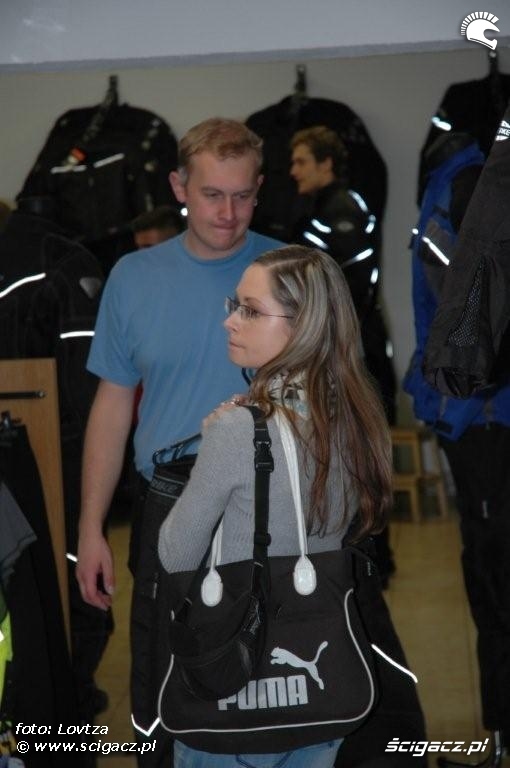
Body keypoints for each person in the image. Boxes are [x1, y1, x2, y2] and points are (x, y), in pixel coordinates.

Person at [76, 117, 283, 764]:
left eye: (243, 195)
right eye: (212, 194)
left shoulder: (291, 271)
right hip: (167, 501)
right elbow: (111, 409)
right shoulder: (133, 278)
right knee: (163, 680)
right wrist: (90, 530)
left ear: (259, 189)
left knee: (272, 676)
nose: (228, 213)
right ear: (178, 186)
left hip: (269, 499)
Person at [158, 245, 393, 768]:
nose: (229, 321)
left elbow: (175, 552)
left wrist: (214, 443)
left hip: (235, 687)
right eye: (235, 305)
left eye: (250, 310)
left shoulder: (238, 430)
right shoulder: (352, 417)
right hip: (321, 687)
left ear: (302, 326)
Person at [290, 125, 397, 587]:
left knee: (358, 459)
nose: (293, 171)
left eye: (301, 161)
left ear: (326, 163)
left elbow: (346, 290)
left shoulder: (343, 209)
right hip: (341, 352)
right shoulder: (322, 208)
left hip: (354, 355)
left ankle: (373, 562)